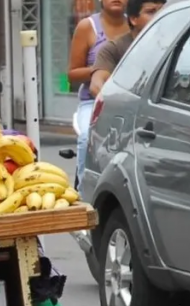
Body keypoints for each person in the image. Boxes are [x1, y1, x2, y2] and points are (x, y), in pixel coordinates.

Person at [67, 0, 129, 188]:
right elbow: (72, 74)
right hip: (93, 101)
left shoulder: (137, 26)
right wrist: (101, 68)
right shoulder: (87, 26)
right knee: (88, 135)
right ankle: (83, 193)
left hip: (128, 102)